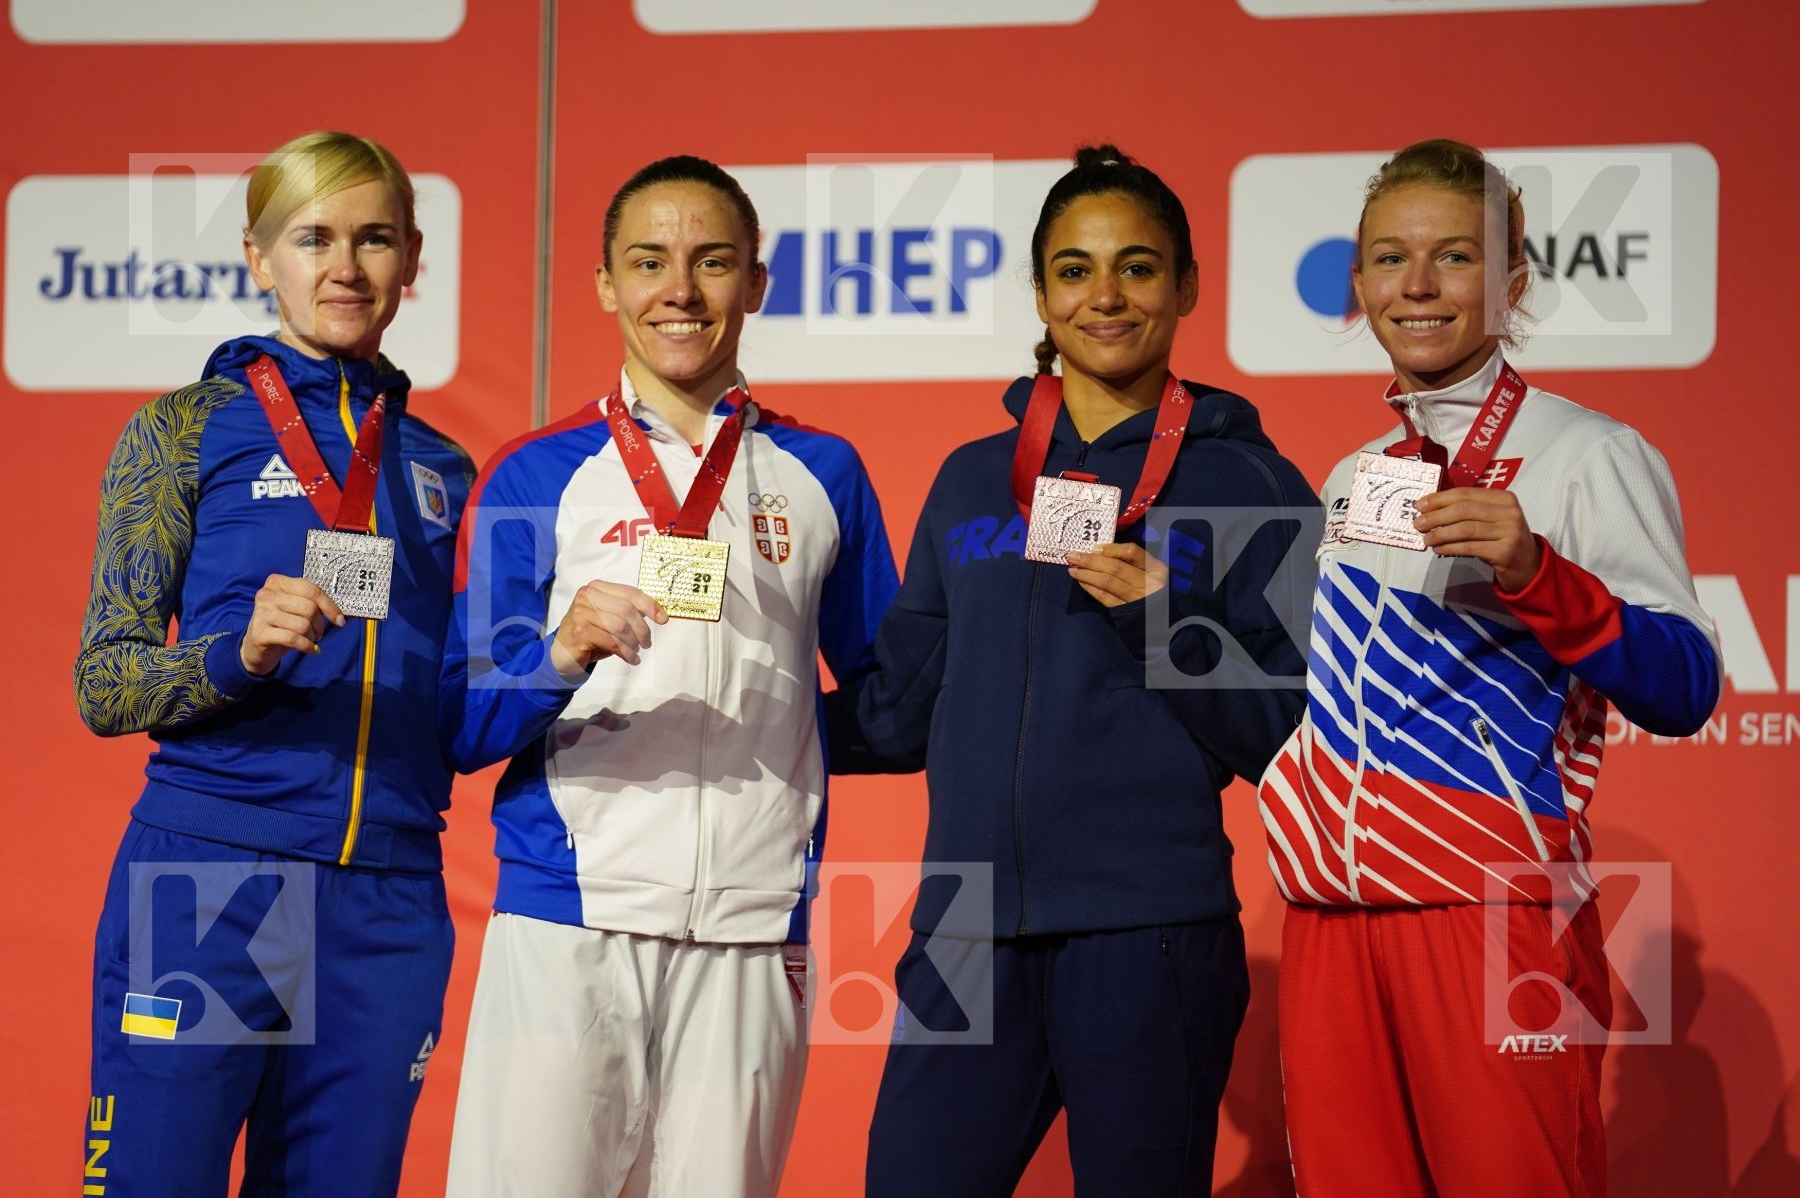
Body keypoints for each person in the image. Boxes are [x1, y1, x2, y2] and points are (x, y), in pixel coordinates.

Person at [831, 145, 1319, 1197]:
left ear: (1186, 285)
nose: (1106, 295)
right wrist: (752, 713)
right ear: (1042, 295)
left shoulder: (1250, 481)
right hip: (963, 928)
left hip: (1146, 932)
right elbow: (901, 710)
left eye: (1138, 268)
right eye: (1074, 269)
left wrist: (1166, 623)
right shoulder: (974, 477)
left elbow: (1295, 729)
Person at [1257, 137, 1722, 1197]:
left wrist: (1533, 568)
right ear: (1360, 281)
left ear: (1513, 281)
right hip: (1334, 917)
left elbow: (1686, 685)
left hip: (1494, 909)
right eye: (1388, 258)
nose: (1416, 286)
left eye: (1453, 256)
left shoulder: (1587, 454)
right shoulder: (1354, 475)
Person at [441, 155, 900, 1198]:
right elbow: (461, 726)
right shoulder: (536, 473)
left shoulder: (822, 471)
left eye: (712, 262)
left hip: (750, 931)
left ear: (757, 282)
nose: (679, 291)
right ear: (606, 284)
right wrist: (558, 657)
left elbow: (893, 700)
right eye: (648, 263)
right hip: (570, 923)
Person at [75, 130, 471, 1195]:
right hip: (209, 874)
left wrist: (566, 661)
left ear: (412, 259)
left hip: (386, 898)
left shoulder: (442, 467)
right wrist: (237, 652)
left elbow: (461, 704)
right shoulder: (180, 431)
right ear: (260, 257)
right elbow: (104, 682)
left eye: (374, 238)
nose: (345, 267)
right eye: (314, 238)